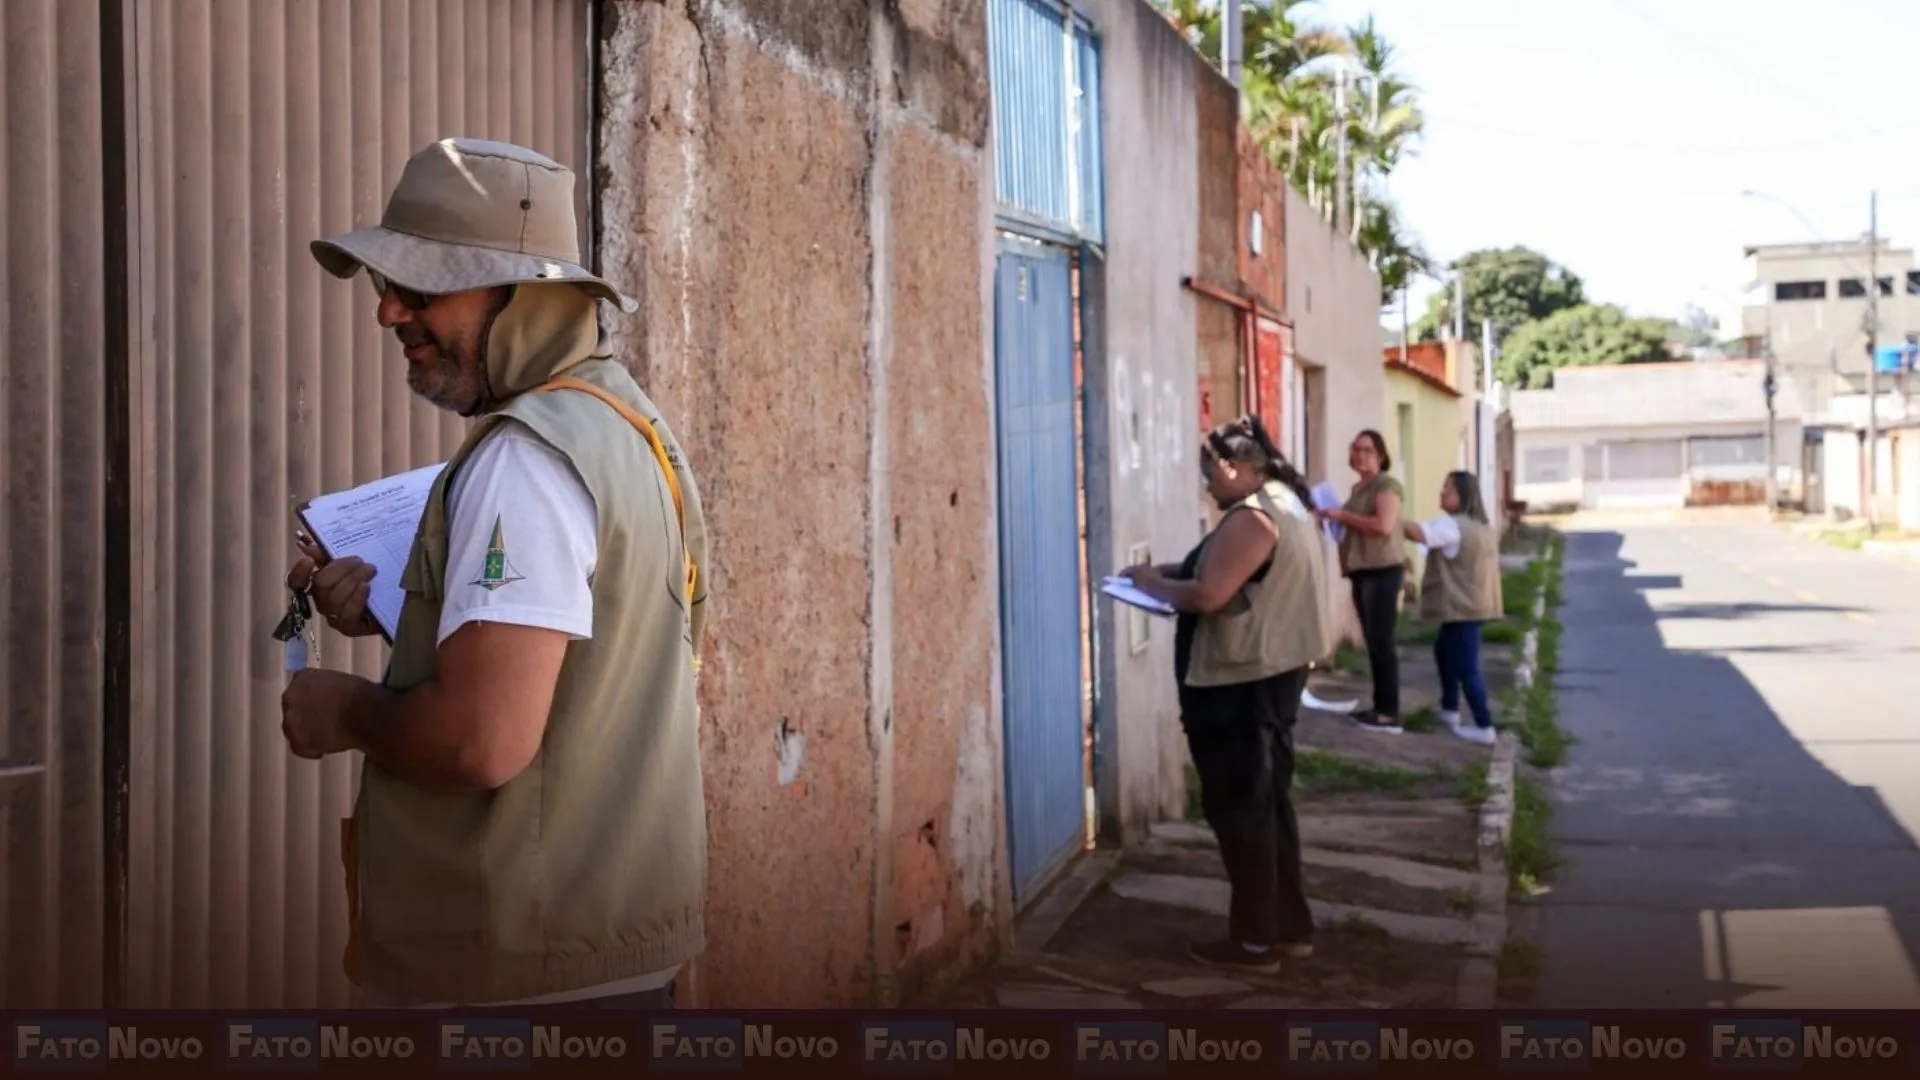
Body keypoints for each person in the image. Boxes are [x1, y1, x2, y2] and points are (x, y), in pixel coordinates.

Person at [278, 137, 709, 1009]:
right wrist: (409, 611)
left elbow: (483, 740)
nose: (389, 314)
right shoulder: (626, 422)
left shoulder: (527, 463)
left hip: (516, 984)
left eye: (422, 287)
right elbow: (588, 657)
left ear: (528, 295)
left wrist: (345, 708)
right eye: (384, 284)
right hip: (598, 956)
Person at [1123, 416, 1331, 975]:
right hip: (1273, 680)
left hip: (1239, 686)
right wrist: (1167, 572)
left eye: (1209, 472)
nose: (1205, 483)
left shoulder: (1252, 518)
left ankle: (1255, 943)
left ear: (1234, 468)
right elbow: (1229, 573)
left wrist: (1149, 586)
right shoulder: (1286, 502)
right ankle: (1288, 928)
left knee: (1241, 814)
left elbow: (1211, 594)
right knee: (1268, 810)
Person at [1404, 471, 1504, 747]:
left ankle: (1484, 725)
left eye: (1446, 489)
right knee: (1444, 651)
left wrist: (1389, 519)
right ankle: (1449, 709)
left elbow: (1421, 534)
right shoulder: (1480, 526)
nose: (1441, 493)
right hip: (1474, 606)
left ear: (1461, 495)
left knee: (1466, 665)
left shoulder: (1453, 527)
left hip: (1462, 608)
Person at [1316, 430, 1405, 734]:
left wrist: (1342, 515)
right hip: (1362, 570)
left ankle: (1389, 713)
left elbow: (1383, 525)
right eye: (1355, 449)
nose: (1360, 455)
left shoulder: (1387, 485)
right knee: (1373, 640)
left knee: (1382, 641)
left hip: (1382, 570)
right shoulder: (1359, 488)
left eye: (1367, 450)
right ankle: (1380, 707)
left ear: (1380, 455)